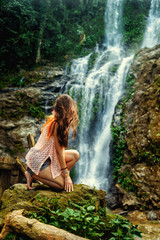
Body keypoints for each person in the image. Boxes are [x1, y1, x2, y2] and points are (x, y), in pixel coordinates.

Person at [25, 94, 79, 193]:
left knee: (75, 155)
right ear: (67, 109)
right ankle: (31, 173)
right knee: (61, 185)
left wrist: (65, 174)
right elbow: (59, 152)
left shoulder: (59, 122)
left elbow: (61, 151)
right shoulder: (56, 124)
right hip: (39, 160)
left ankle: (56, 177)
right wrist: (66, 176)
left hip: (48, 157)